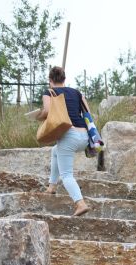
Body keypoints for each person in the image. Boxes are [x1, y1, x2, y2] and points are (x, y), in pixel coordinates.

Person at [36, 66, 91, 216]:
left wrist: (38, 116)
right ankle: (51, 187)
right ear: (64, 79)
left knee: (66, 175)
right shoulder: (77, 93)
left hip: (69, 136)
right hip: (84, 137)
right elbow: (88, 112)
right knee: (55, 151)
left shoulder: (50, 92)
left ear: (50, 80)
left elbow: (47, 111)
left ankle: (80, 203)